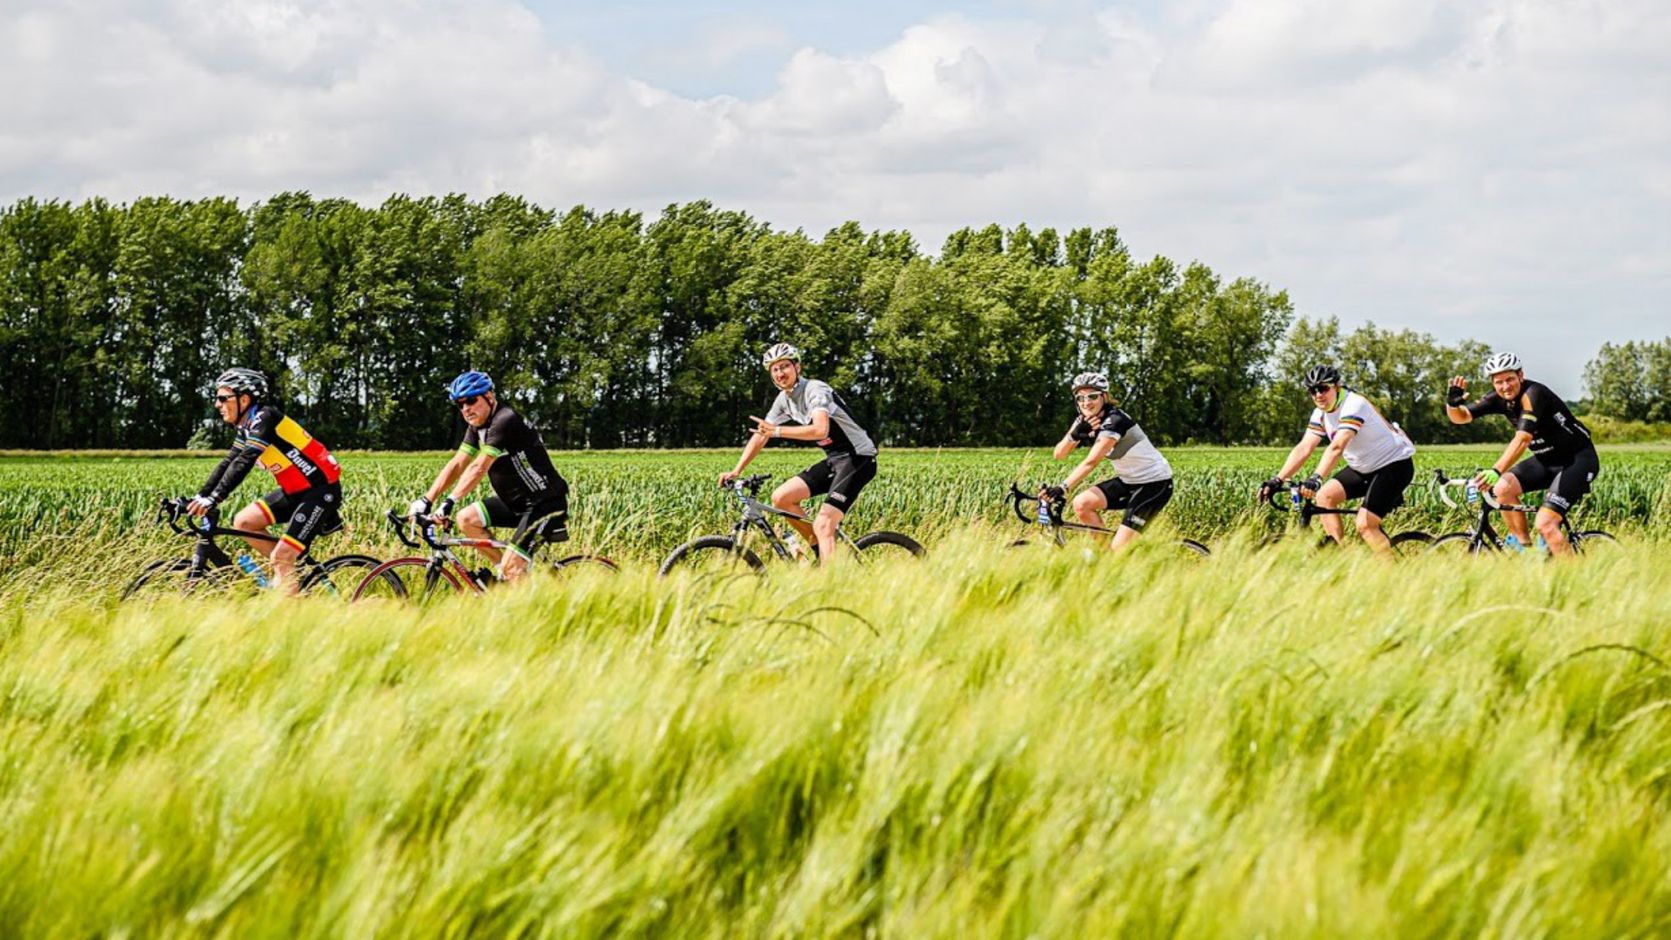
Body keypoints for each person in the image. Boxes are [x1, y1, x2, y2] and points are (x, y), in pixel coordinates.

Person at [186, 367, 344, 592]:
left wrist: (215, 498)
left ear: (244, 399)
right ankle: (290, 579)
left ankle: (290, 602)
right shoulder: (246, 427)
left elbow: (246, 459)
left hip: (320, 491)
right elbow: (229, 462)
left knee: (281, 557)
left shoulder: (265, 418)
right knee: (244, 522)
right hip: (295, 491)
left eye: (223, 398)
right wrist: (200, 496)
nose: (217, 405)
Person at [719, 343, 877, 565]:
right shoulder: (783, 400)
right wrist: (736, 470)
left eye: (784, 366)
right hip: (835, 459)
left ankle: (832, 584)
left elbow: (820, 429)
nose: (780, 373)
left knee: (824, 523)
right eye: (774, 369)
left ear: (797, 367)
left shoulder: (815, 389)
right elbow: (761, 434)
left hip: (858, 458)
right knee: (781, 498)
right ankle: (821, 552)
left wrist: (777, 431)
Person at [410, 371, 569, 582]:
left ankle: (520, 591)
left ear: (489, 397)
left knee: (512, 567)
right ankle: (508, 577)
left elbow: (478, 467)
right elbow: (458, 463)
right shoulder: (477, 427)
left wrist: (449, 501)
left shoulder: (505, 419)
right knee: (466, 519)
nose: (466, 408)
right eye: (460, 404)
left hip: (545, 504)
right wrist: (426, 500)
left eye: (471, 401)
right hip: (517, 504)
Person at [1444, 352, 1598, 556]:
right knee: (1502, 489)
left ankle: (1573, 578)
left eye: (1510, 379)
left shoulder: (1534, 394)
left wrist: (1496, 470)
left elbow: (1523, 439)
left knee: (1546, 524)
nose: (1505, 386)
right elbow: (1461, 418)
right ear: (1493, 383)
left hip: (1577, 460)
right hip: (1546, 460)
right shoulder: (1497, 398)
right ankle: (1525, 550)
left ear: (1520, 375)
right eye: (1499, 382)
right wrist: (1453, 405)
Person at [1258, 365, 1417, 555]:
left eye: (1323, 388)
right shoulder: (1320, 414)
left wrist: (1316, 478)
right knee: (1324, 497)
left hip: (1394, 465)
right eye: (1312, 390)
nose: (1318, 395)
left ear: (1337, 387)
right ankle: (1342, 556)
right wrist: (1278, 479)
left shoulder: (1354, 405)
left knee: (1366, 525)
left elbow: (1337, 447)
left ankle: (1392, 579)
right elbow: (1304, 447)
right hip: (1363, 467)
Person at [1046, 371, 1175, 552]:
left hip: (1154, 484)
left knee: (1120, 549)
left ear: (1104, 397)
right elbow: (1059, 454)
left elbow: (1092, 461)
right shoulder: (1083, 420)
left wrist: (1063, 488)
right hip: (1128, 481)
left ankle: (1121, 560)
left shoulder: (1115, 421)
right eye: (1080, 398)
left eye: (1092, 396)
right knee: (1082, 504)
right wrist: (1074, 435)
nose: (1086, 402)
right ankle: (1106, 559)